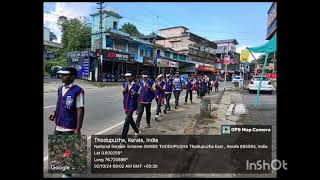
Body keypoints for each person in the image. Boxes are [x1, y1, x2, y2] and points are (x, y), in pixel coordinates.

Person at [48, 67, 85, 178]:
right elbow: (60, 103)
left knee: (68, 151)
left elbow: (80, 109)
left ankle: (67, 174)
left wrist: (78, 129)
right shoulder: (60, 88)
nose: (61, 77)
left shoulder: (78, 91)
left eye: (64, 75)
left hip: (70, 127)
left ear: (72, 77)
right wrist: (54, 112)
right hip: (59, 124)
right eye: (61, 75)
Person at [121, 73, 141, 140]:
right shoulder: (125, 84)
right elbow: (124, 93)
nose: (127, 78)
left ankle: (123, 140)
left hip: (132, 106)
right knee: (130, 120)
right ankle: (137, 131)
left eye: (128, 76)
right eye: (126, 77)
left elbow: (138, 98)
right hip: (126, 105)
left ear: (132, 77)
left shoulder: (136, 86)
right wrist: (123, 91)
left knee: (126, 121)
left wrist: (138, 109)